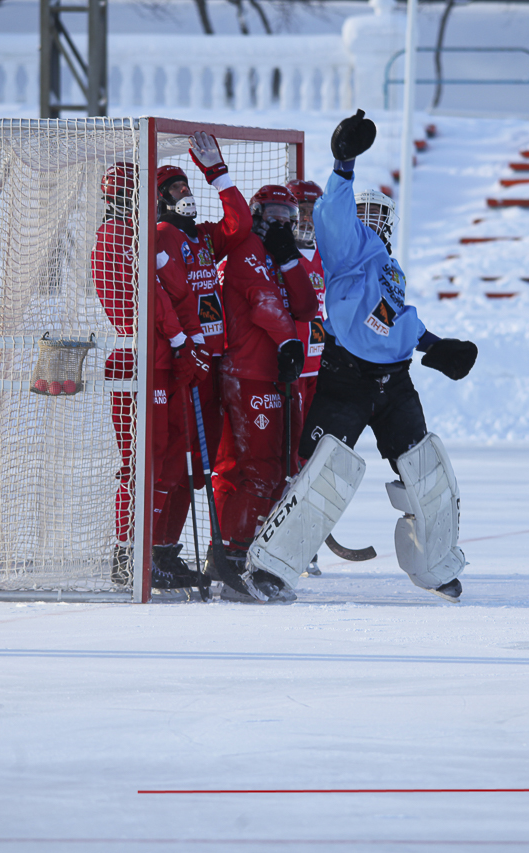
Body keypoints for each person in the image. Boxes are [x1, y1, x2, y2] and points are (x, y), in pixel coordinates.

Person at [243, 110, 479, 605]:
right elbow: (333, 216)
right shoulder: (350, 246)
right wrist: (342, 165)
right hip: (346, 377)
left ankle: (435, 565)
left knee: (424, 469)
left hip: (395, 383)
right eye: (362, 213)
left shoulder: (389, 268)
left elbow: (399, 319)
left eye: (377, 216)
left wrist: (436, 347)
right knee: (324, 474)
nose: (369, 221)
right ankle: (272, 566)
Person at [92, 162, 209, 591]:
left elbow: (173, 291)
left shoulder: (137, 235)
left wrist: (185, 340)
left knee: (168, 459)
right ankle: (128, 553)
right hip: (140, 358)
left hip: (158, 356)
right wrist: (180, 339)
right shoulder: (118, 237)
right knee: (144, 461)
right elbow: (151, 298)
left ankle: (152, 550)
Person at [151, 132, 257, 593]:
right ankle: (154, 550)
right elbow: (164, 298)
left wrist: (218, 175)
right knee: (174, 463)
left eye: (186, 186)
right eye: (175, 188)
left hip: (213, 366)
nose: (185, 194)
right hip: (183, 366)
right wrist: (184, 343)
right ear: (158, 200)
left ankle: (173, 550)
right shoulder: (161, 236)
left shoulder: (204, 238)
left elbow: (242, 225)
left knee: (199, 467)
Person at [207, 184, 318, 602]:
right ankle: (232, 557)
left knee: (273, 468)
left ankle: (243, 554)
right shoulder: (247, 249)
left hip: (272, 373)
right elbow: (264, 302)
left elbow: (306, 306)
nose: (282, 222)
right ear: (255, 212)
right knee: (261, 470)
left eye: (289, 215)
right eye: (273, 212)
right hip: (248, 372)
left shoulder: (279, 253)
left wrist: (289, 259)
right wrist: (289, 342)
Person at [285, 178, 329, 578]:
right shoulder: (277, 254)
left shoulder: (327, 254)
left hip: (320, 369)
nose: (306, 218)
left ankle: (307, 537)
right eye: (300, 208)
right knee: (288, 456)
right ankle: (287, 536)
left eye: (312, 209)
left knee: (314, 457)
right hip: (289, 371)